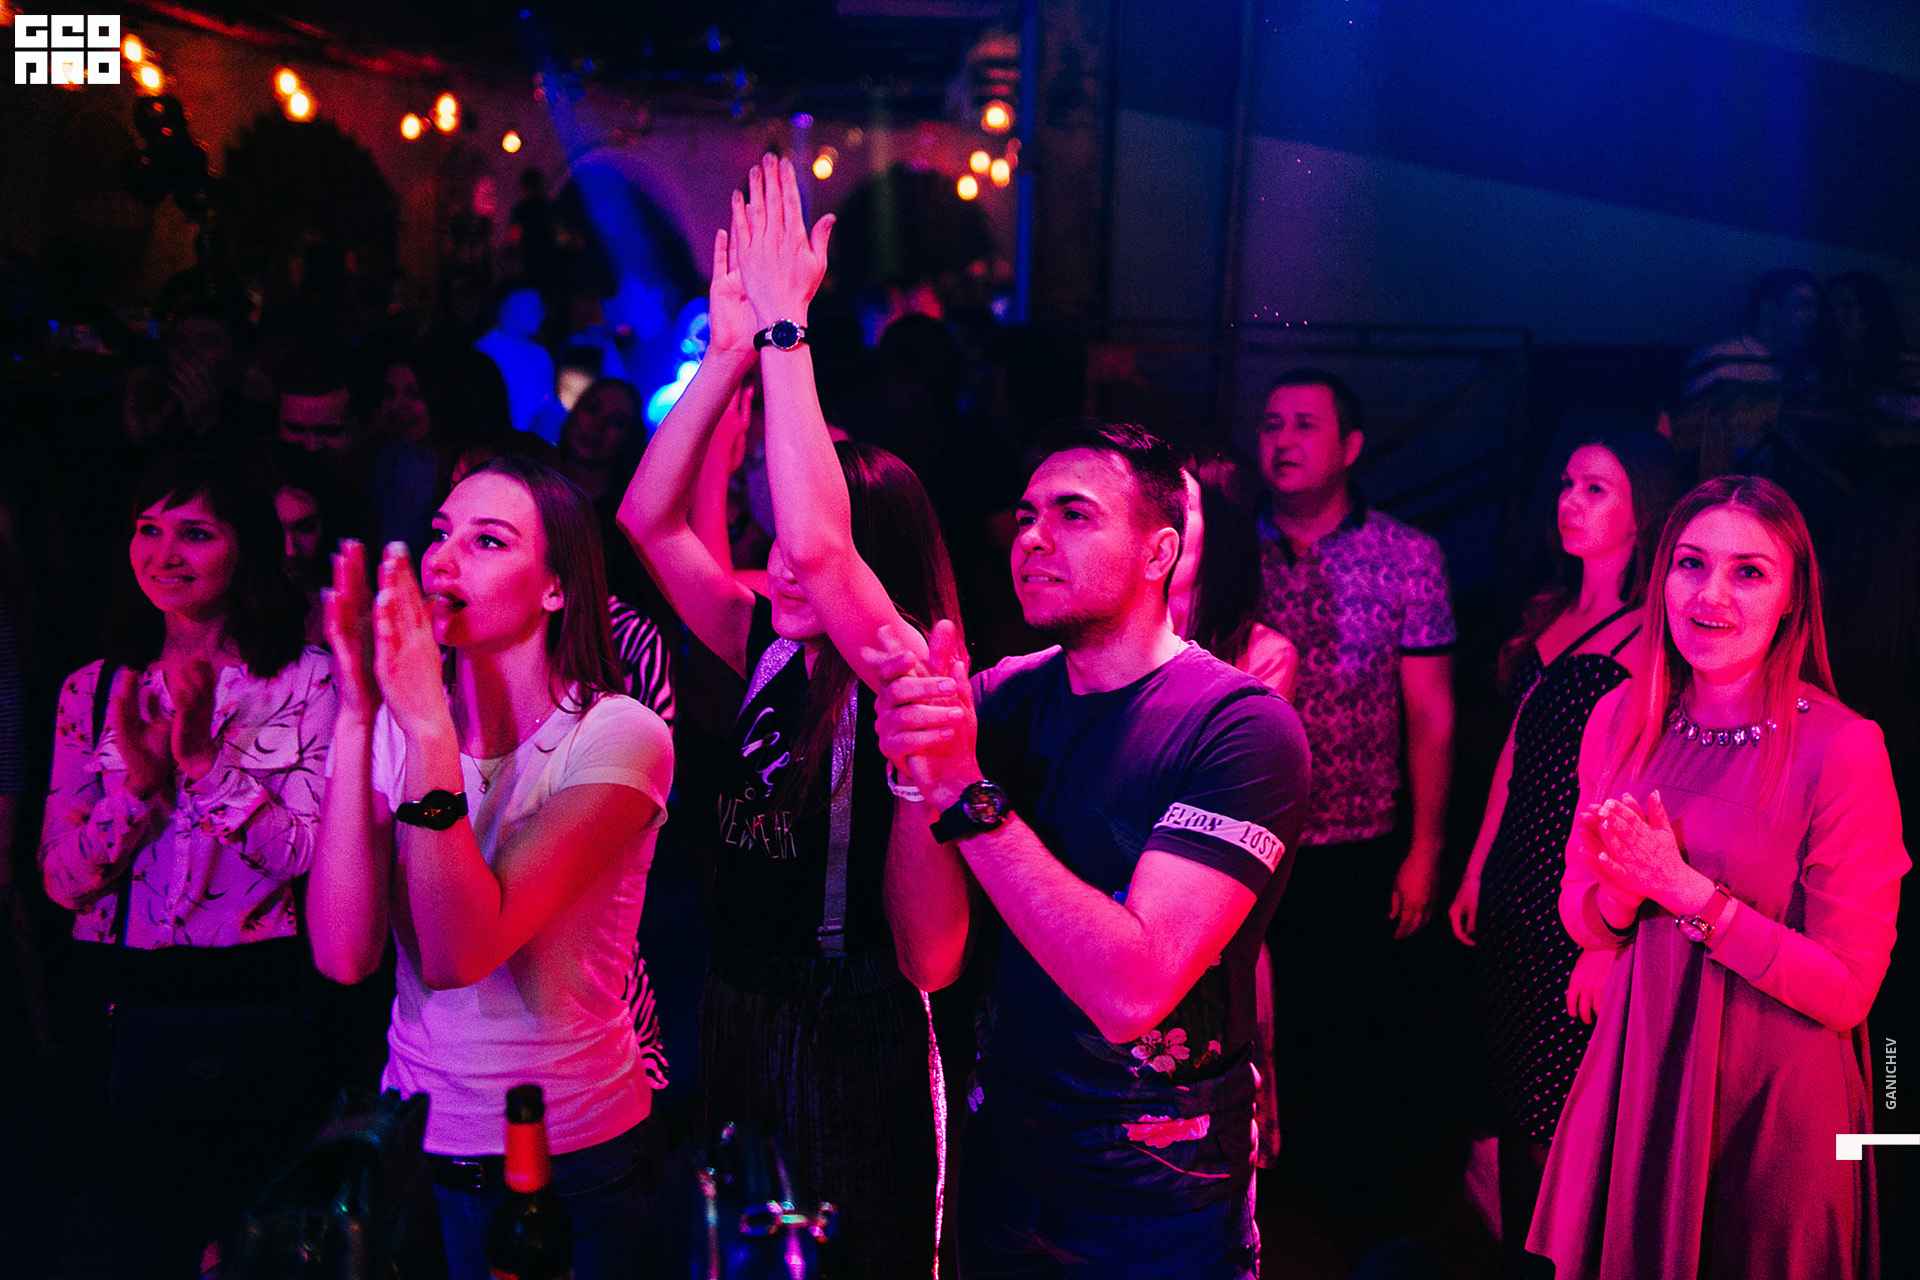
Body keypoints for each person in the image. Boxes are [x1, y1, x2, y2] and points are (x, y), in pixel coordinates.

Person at [872, 413, 1311, 1278]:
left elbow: (1131, 990)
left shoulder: (1240, 727)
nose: (1033, 538)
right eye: (1026, 516)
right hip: (1002, 1162)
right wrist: (917, 777)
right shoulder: (999, 698)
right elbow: (928, 959)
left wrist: (964, 789)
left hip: (1155, 1193)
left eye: (1074, 514)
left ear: (1159, 553)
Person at [617, 154, 953, 1279]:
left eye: (819, 550)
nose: (785, 560)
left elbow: (817, 539)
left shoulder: (898, 662)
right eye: (776, 540)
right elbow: (650, 521)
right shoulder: (764, 636)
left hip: (845, 1014)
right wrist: (721, 357)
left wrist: (785, 333)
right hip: (739, 994)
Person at [1528, 475, 1908, 1280]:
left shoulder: (1843, 749)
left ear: (1792, 600)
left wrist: (1688, 895)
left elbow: (1849, 991)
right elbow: (1579, 914)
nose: (1711, 594)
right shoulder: (1620, 718)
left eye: (1749, 572)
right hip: (1643, 1073)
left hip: (1771, 1103)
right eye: (1692, 563)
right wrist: (1620, 898)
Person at [308, 458, 673, 1280]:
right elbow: (343, 953)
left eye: (488, 541)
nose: (442, 559)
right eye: (440, 533)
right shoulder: (401, 724)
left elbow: (458, 952)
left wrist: (430, 734)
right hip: (415, 1134)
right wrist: (360, 712)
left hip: (568, 1154)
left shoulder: (617, 736)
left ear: (556, 589)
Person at [38, 452, 334, 1278]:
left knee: (251, 1243)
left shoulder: (306, 681)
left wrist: (204, 764)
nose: (164, 554)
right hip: (122, 994)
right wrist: (137, 790)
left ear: (248, 546)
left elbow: (302, 855)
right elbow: (61, 881)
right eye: (149, 530)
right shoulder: (93, 689)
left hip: (253, 990)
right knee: (140, 1239)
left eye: (195, 533)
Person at [1446, 427, 1681, 1276]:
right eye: (1568, 484)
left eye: (1596, 489)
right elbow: (1514, 752)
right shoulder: (1553, 611)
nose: (1569, 502)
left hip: (1577, 885)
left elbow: (1644, 781)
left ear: (1642, 511)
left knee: (1552, 1102)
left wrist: (1608, 934)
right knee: (1509, 1085)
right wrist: (1476, 864)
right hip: (1517, 872)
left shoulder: (1651, 632)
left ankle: (1552, 1260)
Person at [1251, 369, 1454, 1250]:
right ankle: (1260, 1204)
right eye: (1271, 424)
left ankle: (1348, 1218)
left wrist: (1426, 848)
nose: (1283, 440)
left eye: (1305, 424)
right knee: (1260, 1024)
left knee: (1353, 1034)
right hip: (1246, 836)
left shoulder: (1407, 556)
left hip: (1358, 834)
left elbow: (1432, 713)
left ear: (1351, 446)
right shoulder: (1229, 551)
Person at [1172, 451, 1297, 700]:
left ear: (1220, 532)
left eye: (1182, 506)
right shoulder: (1109, 637)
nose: (1161, 522)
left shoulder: (1266, 655)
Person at [1681, 268, 1821, 400]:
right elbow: (1694, 416)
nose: (1814, 316)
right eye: (1803, 305)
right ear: (1769, 308)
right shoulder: (1722, 360)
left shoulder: (1796, 366)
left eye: (1816, 308)